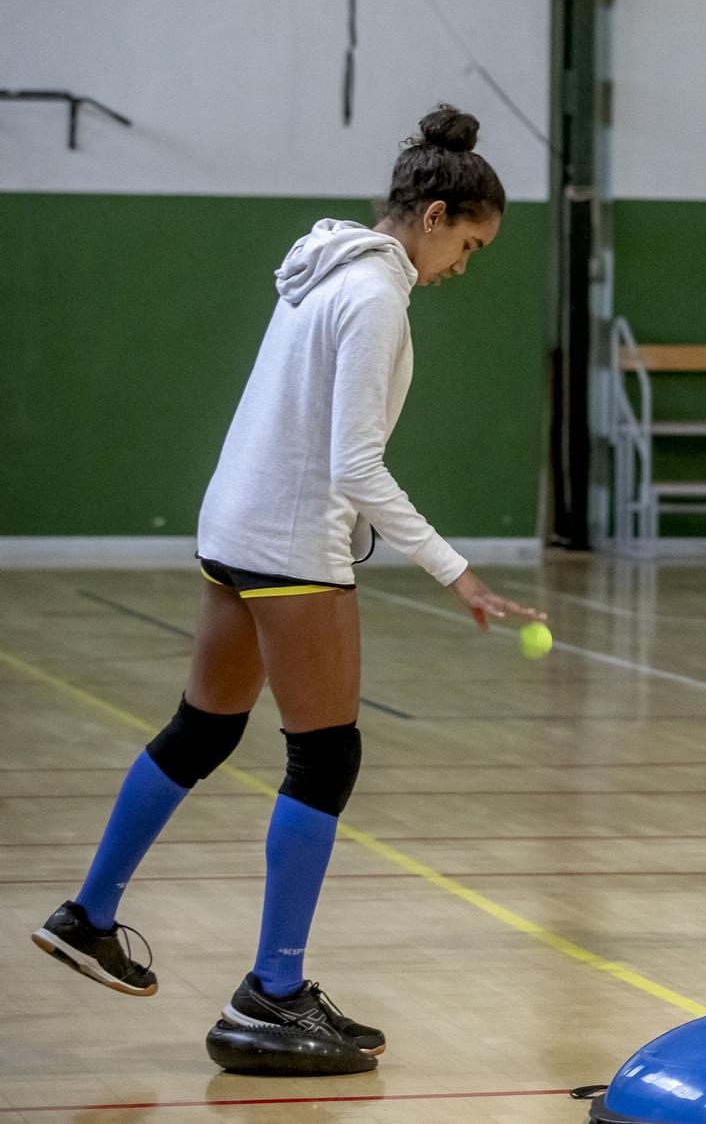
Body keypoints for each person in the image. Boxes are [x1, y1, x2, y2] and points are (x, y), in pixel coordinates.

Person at [32, 106, 542, 1076]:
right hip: (289, 544)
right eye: (468, 245)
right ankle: (271, 993)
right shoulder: (376, 296)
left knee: (203, 729)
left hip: (233, 526)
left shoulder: (322, 269)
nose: (462, 267)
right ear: (434, 216)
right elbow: (354, 464)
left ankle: (88, 914)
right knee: (325, 756)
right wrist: (455, 568)